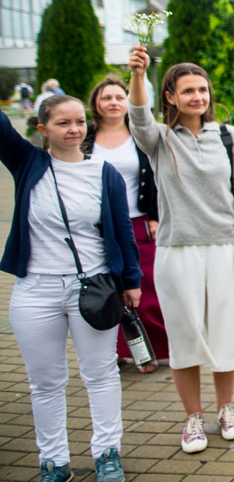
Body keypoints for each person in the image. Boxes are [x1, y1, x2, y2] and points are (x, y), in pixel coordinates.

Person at [1, 95, 140, 482]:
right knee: (44, 381)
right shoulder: (28, 163)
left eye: (80, 121)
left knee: (100, 373)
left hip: (93, 287)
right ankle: (53, 461)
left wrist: (131, 282)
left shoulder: (104, 172)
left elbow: (123, 231)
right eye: (63, 123)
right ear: (43, 129)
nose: (75, 129)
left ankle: (107, 453)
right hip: (35, 289)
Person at [127, 47, 234, 454]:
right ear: (170, 96)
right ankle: (193, 418)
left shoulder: (227, 135)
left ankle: (226, 409)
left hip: (225, 247)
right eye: (187, 91)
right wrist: (137, 74)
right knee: (184, 336)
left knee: (225, 332)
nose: (197, 97)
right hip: (177, 249)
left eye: (202, 90)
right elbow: (138, 117)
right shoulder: (159, 139)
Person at [82, 75, 166, 373]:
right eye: (107, 98)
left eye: (120, 97)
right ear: (96, 104)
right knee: (105, 289)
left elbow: (157, 178)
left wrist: (155, 216)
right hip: (96, 227)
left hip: (138, 222)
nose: (114, 102)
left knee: (146, 289)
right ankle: (114, 353)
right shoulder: (85, 137)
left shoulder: (140, 136)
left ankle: (149, 351)